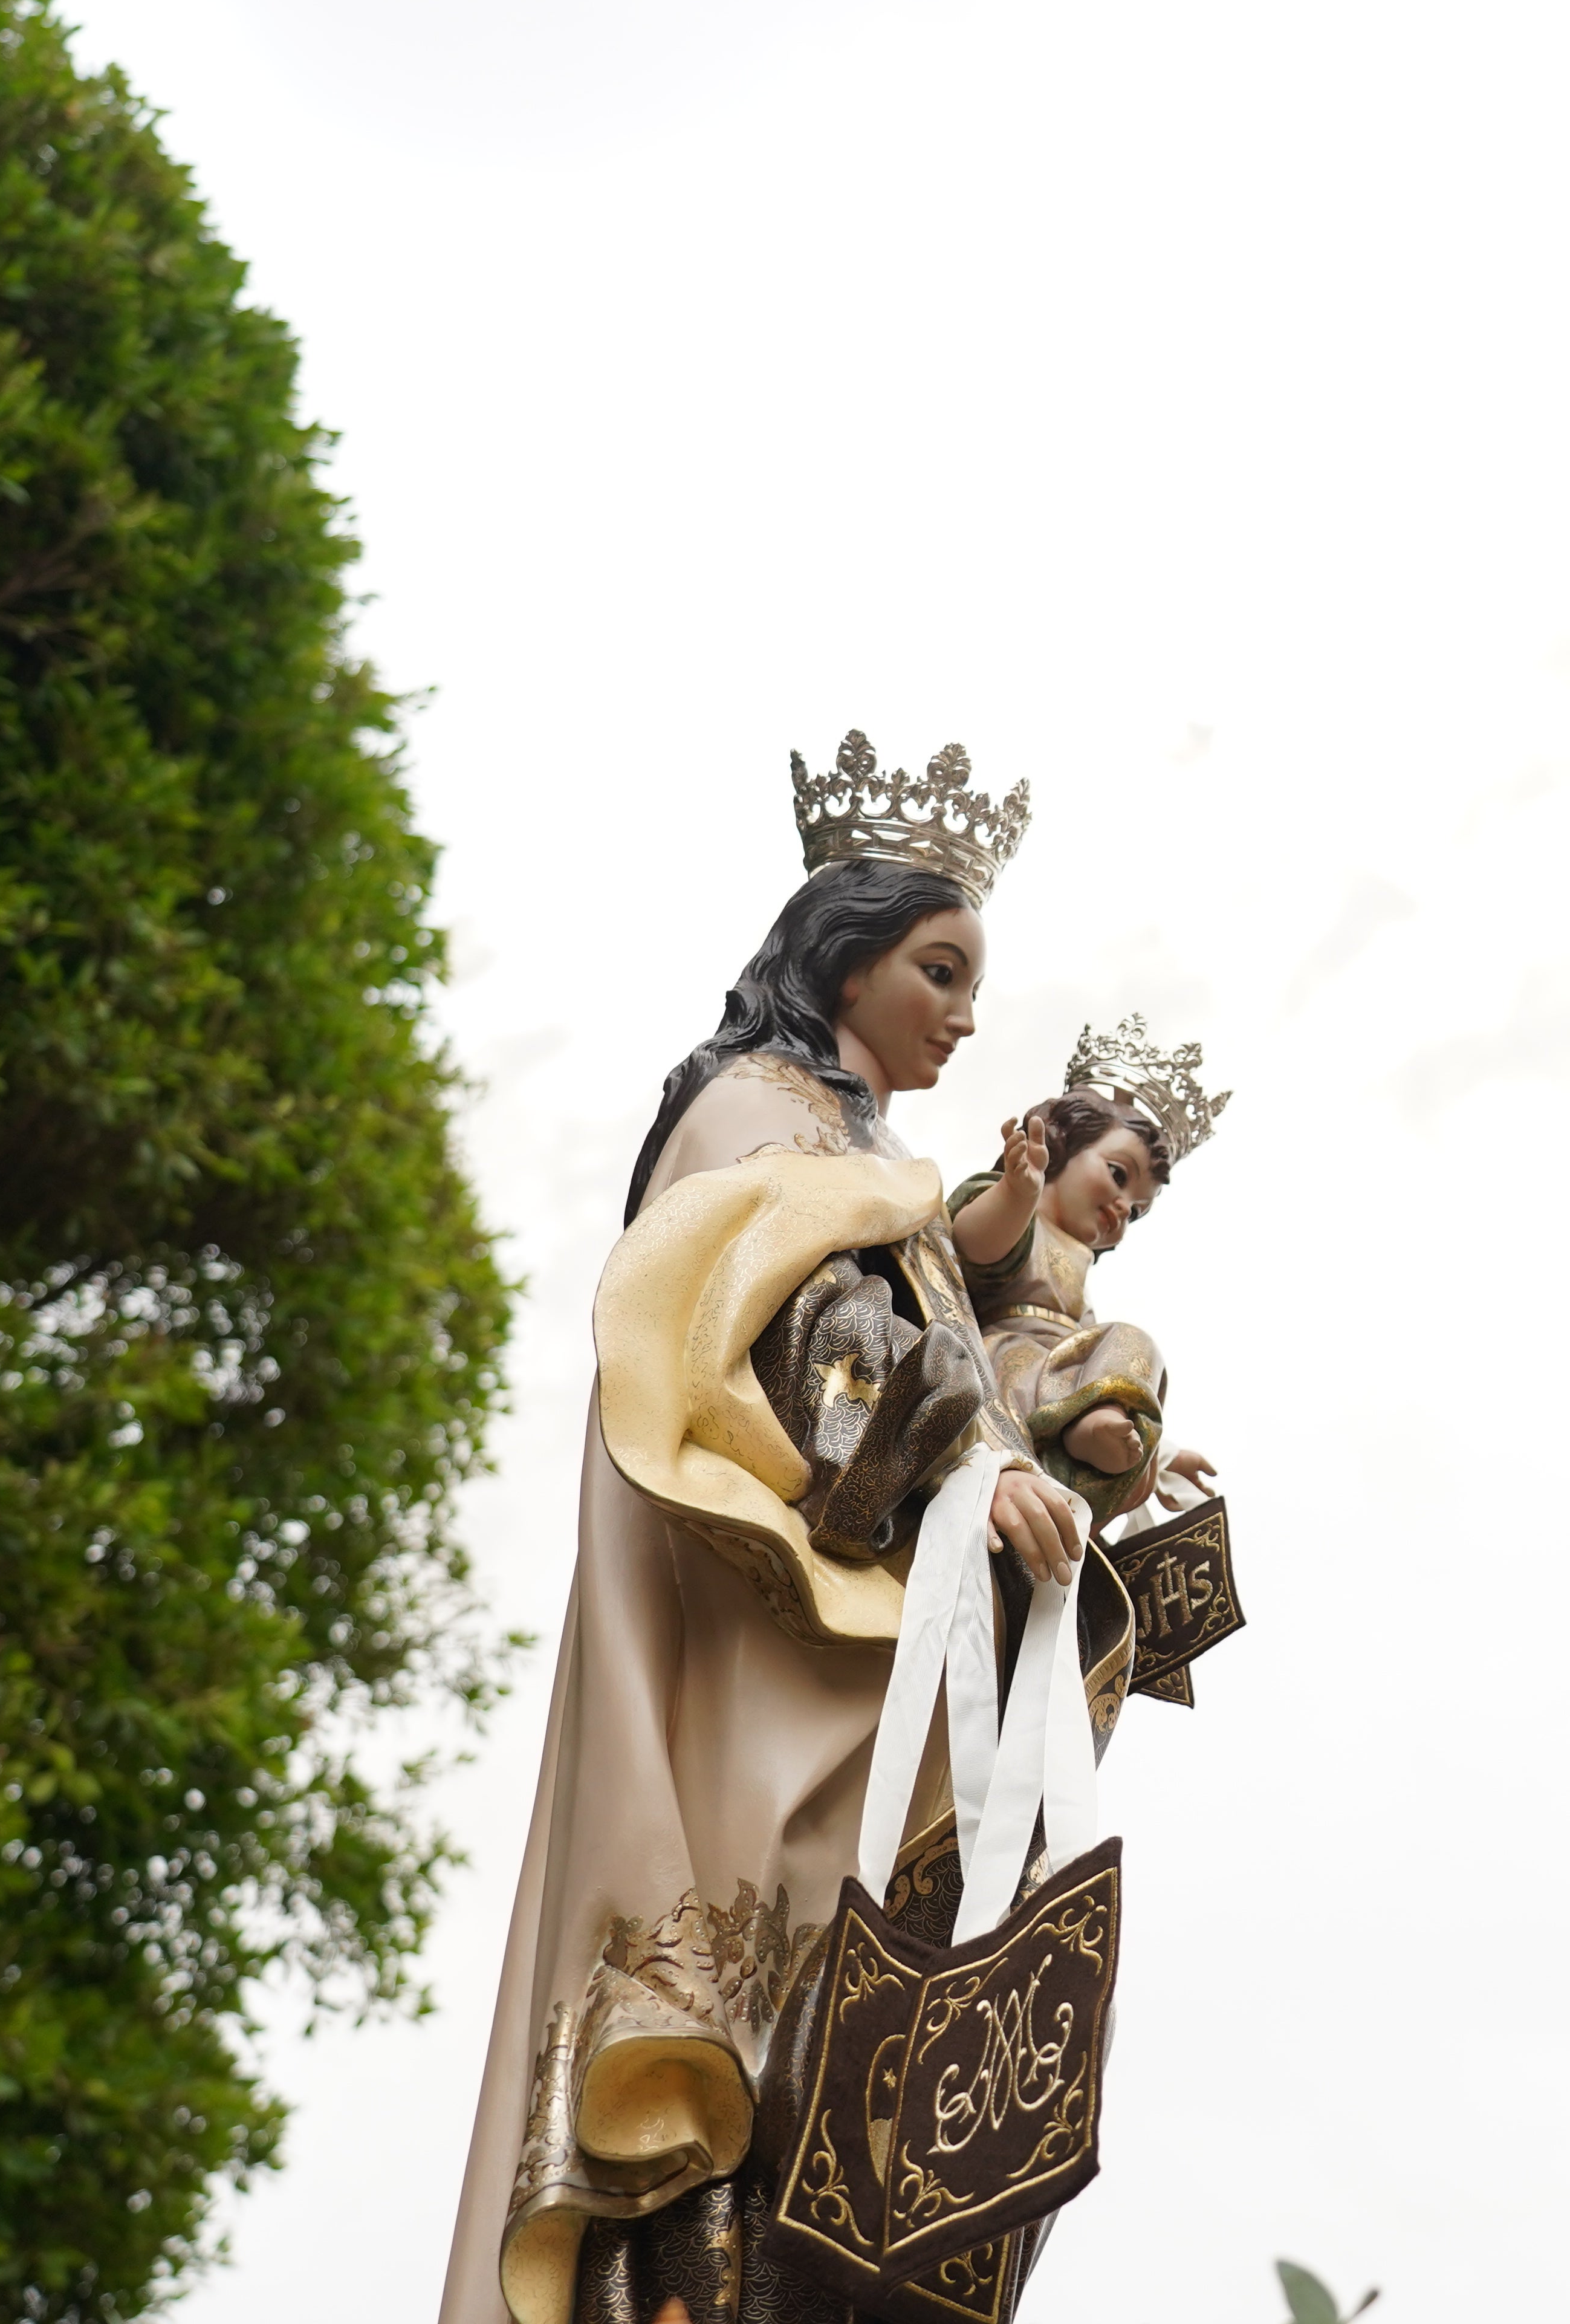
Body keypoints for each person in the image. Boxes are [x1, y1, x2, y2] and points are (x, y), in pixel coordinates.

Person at [440, 736, 1114, 2324]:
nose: (963, 1013)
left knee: (854, 2025)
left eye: (972, 981)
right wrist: (965, 1463)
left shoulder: (870, 1156)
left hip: (852, 1635)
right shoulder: (757, 1110)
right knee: (748, 2024)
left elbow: (955, 1334)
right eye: (938, 969)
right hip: (761, 1639)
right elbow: (809, 1337)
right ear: (843, 954)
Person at [945, 1016, 1233, 1527]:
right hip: (1005, 1370)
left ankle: (1092, 1426)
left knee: (1136, 1343)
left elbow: (1107, 1364)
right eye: (1118, 1175)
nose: (1123, 1208)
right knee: (1109, 1350)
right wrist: (1016, 1194)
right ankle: (1083, 1424)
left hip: (1063, 1377)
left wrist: (1164, 1456)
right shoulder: (1017, 1213)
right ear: (1061, 1144)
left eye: (1137, 1211)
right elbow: (970, 1248)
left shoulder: (1081, 1280)